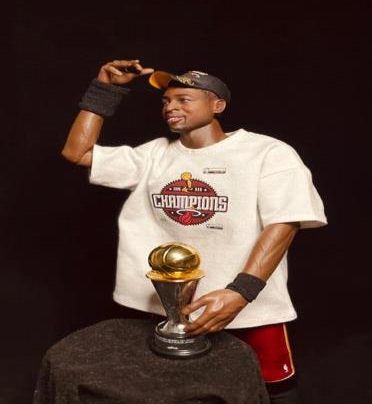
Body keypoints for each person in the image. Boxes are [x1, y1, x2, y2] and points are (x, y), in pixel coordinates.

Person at [62, 59, 327, 404]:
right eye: (166, 101)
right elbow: (77, 152)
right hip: (166, 306)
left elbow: (285, 222)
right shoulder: (154, 155)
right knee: (179, 388)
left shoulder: (267, 152)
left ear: (218, 106)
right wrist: (105, 89)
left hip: (245, 305)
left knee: (272, 390)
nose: (170, 107)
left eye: (184, 99)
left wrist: (241, 292)